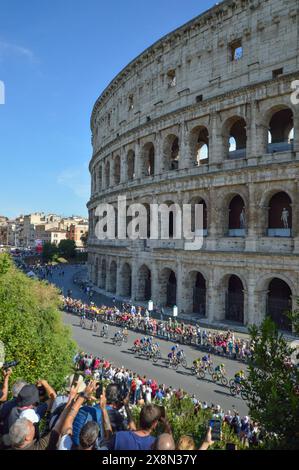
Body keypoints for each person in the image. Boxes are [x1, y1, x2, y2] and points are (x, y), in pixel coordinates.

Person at [106, 404, 171, 451]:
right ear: (154, 424)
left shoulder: (119, 436)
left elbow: (107, 439)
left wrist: (103, 409)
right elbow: (167, 442)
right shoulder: (156, 445)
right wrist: (168, 427)